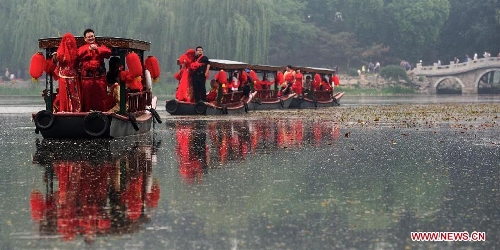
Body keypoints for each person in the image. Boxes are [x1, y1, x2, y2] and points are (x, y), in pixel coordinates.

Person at [77, 28, 111, 112]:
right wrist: (88, 49)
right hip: (87, 79)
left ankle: (103, 112)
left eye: (92, 36)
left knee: (101, 96)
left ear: (94, 37)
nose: (90, 38)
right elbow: (77, 55)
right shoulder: (82, 48)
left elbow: (108, 52)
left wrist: (97, 49)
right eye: (88, 37)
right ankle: (86, 113)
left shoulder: (100, 46)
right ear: (85, 39)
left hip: (100, 78)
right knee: (87, 98)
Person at [52, 33, 81, 112]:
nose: (68, 42)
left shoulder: (77, 53)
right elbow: (54, 61)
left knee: (75, 96)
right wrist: (55, 56)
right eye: (66, 40)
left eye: (70, 40)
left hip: (74, 78)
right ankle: (64, 110)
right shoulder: (59, 54)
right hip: (63, 78)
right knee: (64, 96)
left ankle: (76, 111)